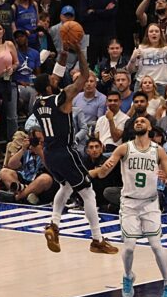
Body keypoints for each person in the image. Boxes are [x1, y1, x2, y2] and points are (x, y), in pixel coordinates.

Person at [32, 43, 117, 255]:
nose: (55, 79)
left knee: (67, 187)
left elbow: (54, 76)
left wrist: (62, 56)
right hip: (65, 151)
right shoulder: (62, 98)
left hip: (50, 153)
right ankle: (97, 239)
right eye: (53, 80)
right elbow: (85, 76)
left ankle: (53, 224)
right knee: (88, 192)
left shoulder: (37, 102)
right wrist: (79, 52)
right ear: (51, 86)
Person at [97, 116, 167, 297]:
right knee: (129, 247)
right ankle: (128, 275)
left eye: (143, 121)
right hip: (130, 204)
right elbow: (102, 173)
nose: (139, 123)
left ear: (150, 127)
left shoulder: (158, 151)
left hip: (150, 203)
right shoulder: (124, 148)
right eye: (136, 121)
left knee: (156, 246)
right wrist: (104, 169)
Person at [0, 126, 56, 204]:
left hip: (41, 183)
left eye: (39, 139)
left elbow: (52, 170)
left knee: (45, 179)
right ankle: (25, 195)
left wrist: (40, 153)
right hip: (26, 180)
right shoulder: (26, 148)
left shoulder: (49, 148)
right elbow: (11, 165)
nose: (38, 142)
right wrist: (22, 150)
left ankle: (16, 197)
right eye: (34, 139)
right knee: (4, 172)